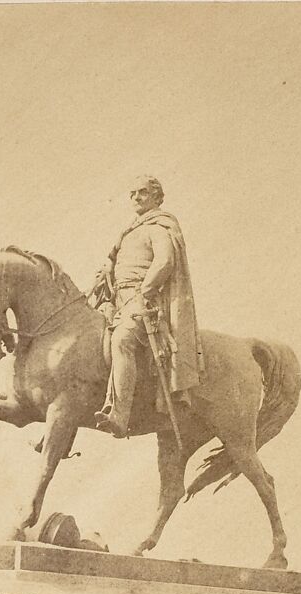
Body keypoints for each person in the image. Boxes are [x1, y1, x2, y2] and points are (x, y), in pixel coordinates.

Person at [92, 176, 203, 437]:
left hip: (144, 302)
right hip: (117, 300)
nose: (137, 197)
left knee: (121, 341)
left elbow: (164, 262)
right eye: (133, 193)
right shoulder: (128, 233)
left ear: (156, 197)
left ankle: (119, 415)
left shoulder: (159, 227)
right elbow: (115, 263)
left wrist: (145, 291)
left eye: (143, 192)